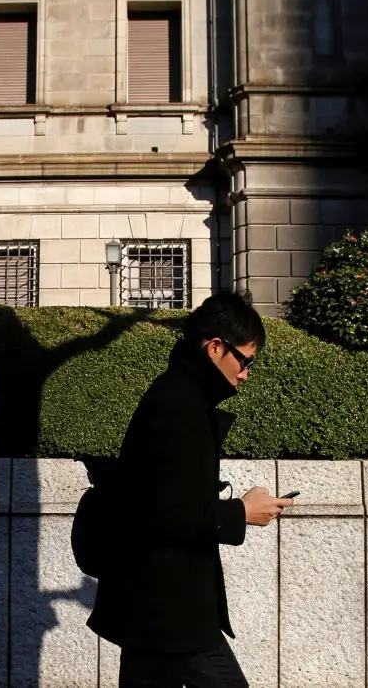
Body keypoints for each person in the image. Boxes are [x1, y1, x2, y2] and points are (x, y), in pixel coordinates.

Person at [87, 290, 292, 688]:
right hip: (169, 611)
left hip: (159, 607)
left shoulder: (180, 396)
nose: (246, 373)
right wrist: (241, 512)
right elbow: (160, 513)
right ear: (216, 348)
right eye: (245, 360)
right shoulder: (178, 405)